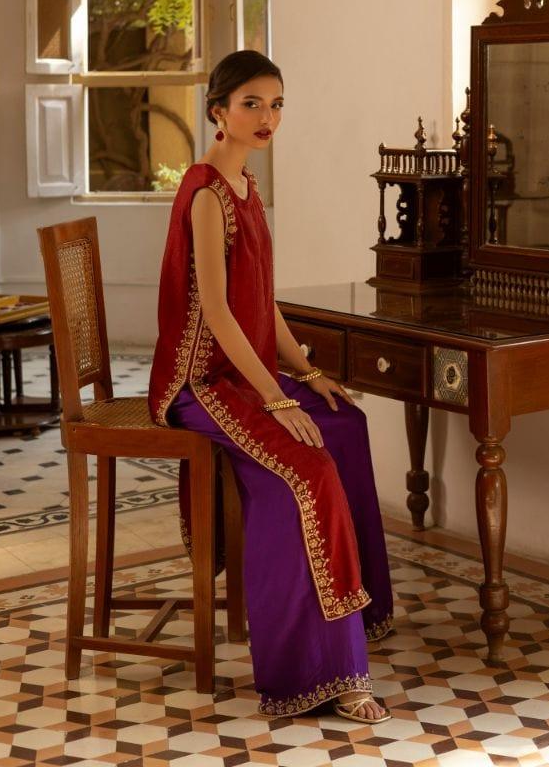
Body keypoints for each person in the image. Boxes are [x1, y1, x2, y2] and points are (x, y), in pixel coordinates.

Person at [149, 49, 394, 722]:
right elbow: (218, 314)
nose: (268, 117)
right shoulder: (206, 195)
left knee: (346, 425)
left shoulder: (247, 188)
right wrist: (280, 398)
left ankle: (360, 615)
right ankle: (322, 670)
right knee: (307, 472)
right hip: (200, 382)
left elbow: (263, 303)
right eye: (252, 103)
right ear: (218, 111)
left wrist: (307, 374)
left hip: (245, 371)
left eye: (277, 103)